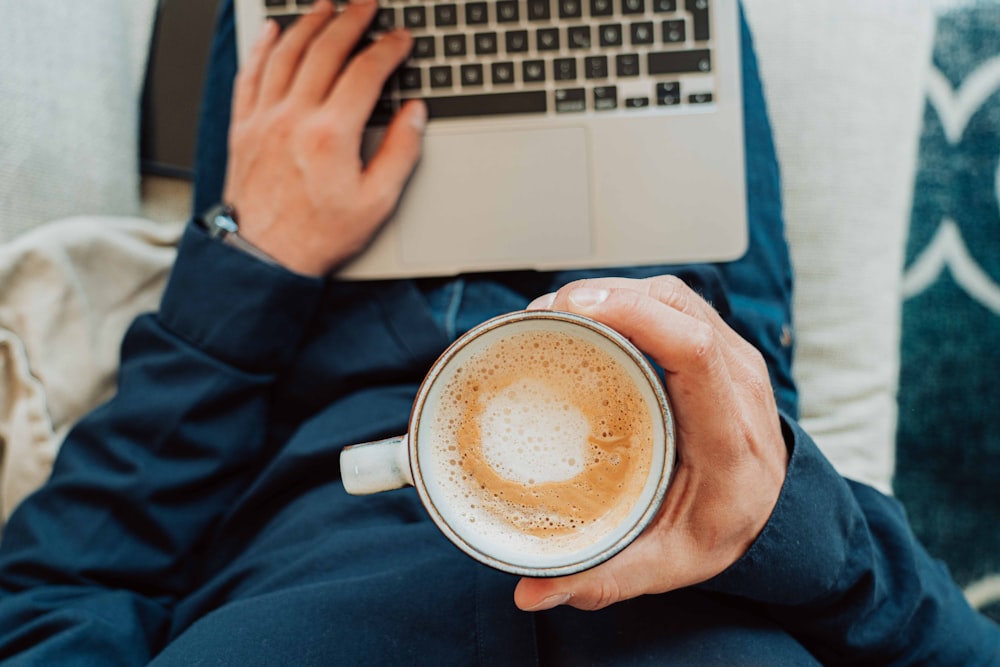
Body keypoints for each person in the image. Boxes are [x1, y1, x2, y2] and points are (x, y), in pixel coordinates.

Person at [0, 0, 996, 664]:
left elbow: (52, 601)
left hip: (297, 325)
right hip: (674, 390)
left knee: (324, 34)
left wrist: (246, 263)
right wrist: (794, 522)